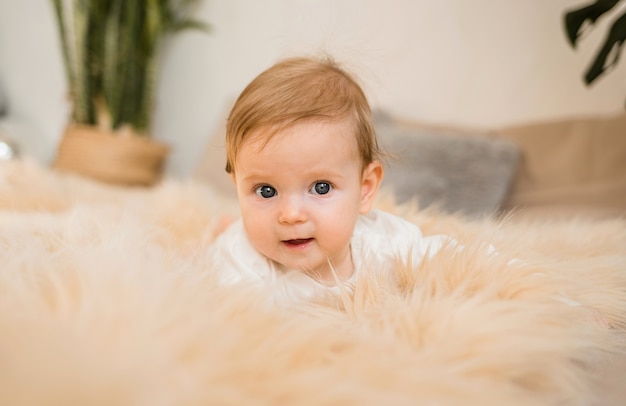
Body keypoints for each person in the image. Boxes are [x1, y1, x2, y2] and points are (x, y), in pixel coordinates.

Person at [208, 55, 454, 303]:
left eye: (321, 187)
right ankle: (221, 231)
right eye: (266, 191)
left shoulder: (384, 242)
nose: (291, 215)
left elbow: (460, 262)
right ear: (238, 188)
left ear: (365, 189)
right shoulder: (241, 259)